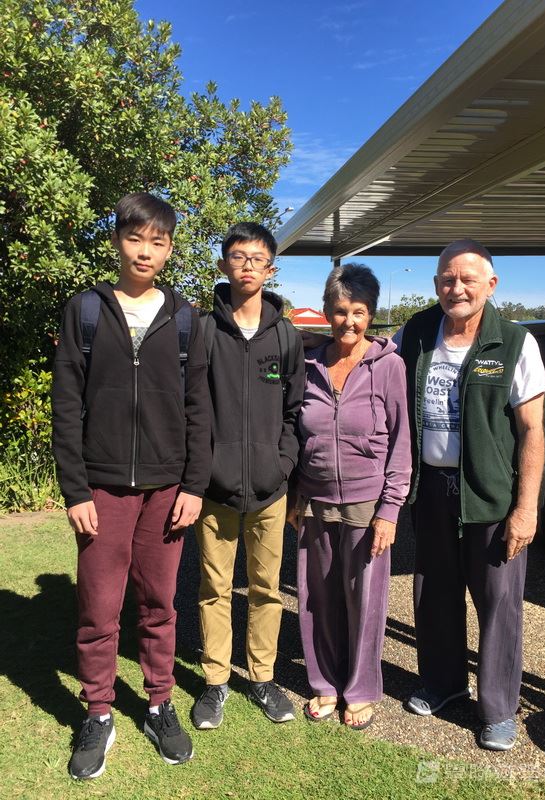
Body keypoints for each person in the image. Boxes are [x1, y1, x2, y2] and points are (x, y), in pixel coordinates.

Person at [52, 192, 211, 779]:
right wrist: (75, 488)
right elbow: (66, 404)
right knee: (98, 606)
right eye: (135, 238)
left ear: (169, 249)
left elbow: (199, 407)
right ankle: (98, 712)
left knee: (158, 604)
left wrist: (194, 484)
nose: (145, 251)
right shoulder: (85, 311)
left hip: (167, 489)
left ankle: (159, 701)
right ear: (117, 240)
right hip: (102, 486)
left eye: (158, 241)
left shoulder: (188, 317)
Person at [394, 238, 545, 751]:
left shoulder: (515, 343)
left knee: (499, 602)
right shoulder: (414, 333)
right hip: (431, 490)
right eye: (445, 279)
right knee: (433, 591)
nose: (455, 288)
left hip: (490, 496)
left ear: (490, 284)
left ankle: (499, 708)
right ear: (435, 282)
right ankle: (443, 683)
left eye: (466, 279)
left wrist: (526, 508)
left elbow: (531, 433)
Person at [191, 222, 304, 729]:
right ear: (223, 265)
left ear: (271, 268)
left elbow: (294, 412)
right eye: (238, 257)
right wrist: (202, 471)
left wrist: (281, 466)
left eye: (258, 259)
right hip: (214, 490)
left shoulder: (286, 335)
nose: (248, 266)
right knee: (213, 590)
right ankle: (215, 682)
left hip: (269, 491)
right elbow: (188, 407)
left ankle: (261, 677)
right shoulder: (202, 330)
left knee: (266, 589)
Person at [290, 263, 411, 730]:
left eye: (359, 312)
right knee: (316, 598)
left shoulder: (389, 366)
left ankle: (359, 689)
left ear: (371, 315)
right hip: (315, 501)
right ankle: (323, 682)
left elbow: (402, 443)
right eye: (340, 311)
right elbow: (295, 436)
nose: (349, 322)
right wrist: (294, 496)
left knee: (364, 601)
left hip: (367, 502)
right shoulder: (308, 366)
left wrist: (390, 510)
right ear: (326, 312)